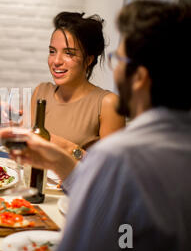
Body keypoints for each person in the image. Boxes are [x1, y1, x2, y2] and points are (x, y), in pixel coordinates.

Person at [0, 0, 191, 251]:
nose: (57, 61)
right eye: (52, 51)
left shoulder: (119, 155)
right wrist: (59, 161)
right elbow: (105, 196)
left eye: (118, 59)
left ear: (139, 78)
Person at [31, 12, 125, 160]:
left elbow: (111, 172)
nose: (56, 61)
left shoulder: (108, 104)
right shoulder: (41, 93)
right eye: (52, 51)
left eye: (69, 53)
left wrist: (69, 148)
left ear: (88, 60)